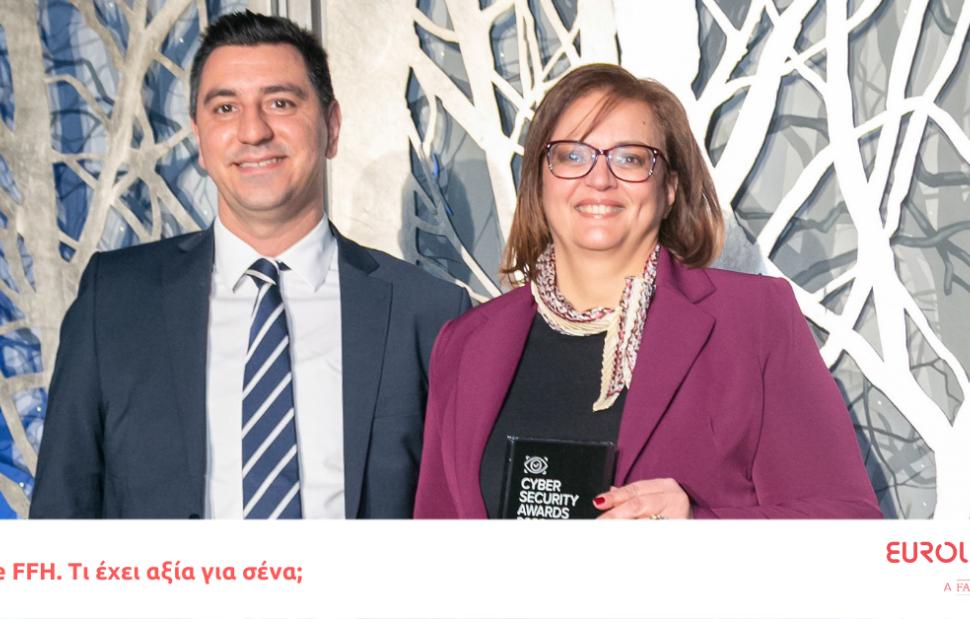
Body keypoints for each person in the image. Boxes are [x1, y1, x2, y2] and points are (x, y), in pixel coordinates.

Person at [30, 12, 470, 519]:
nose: (253, 131)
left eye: (280, 103)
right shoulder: (114, 302)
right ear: (199, 137)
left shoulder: (428, 314)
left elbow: (456, 522)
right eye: (225, 108)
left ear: (331, 127)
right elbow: (60, 514)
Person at [414, 64, 881, 519]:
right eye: (572, 156)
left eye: (630, 159)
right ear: (539, 180)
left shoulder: (753, 320)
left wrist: (696, 527)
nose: (600, 178)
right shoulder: (465, 343)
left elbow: (849, 522)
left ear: (670, 188)